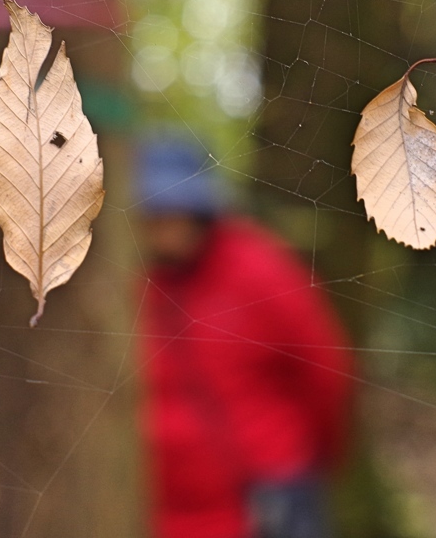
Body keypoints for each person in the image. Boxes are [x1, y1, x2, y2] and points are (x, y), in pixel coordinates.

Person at [135, 138, 355, 538]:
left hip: (268, 499)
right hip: (164, 509)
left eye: (175, 211)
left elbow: (325, 375)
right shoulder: (121, 281)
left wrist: (314, 465)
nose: (164, 226)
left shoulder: (260, 268)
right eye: (154, 212)